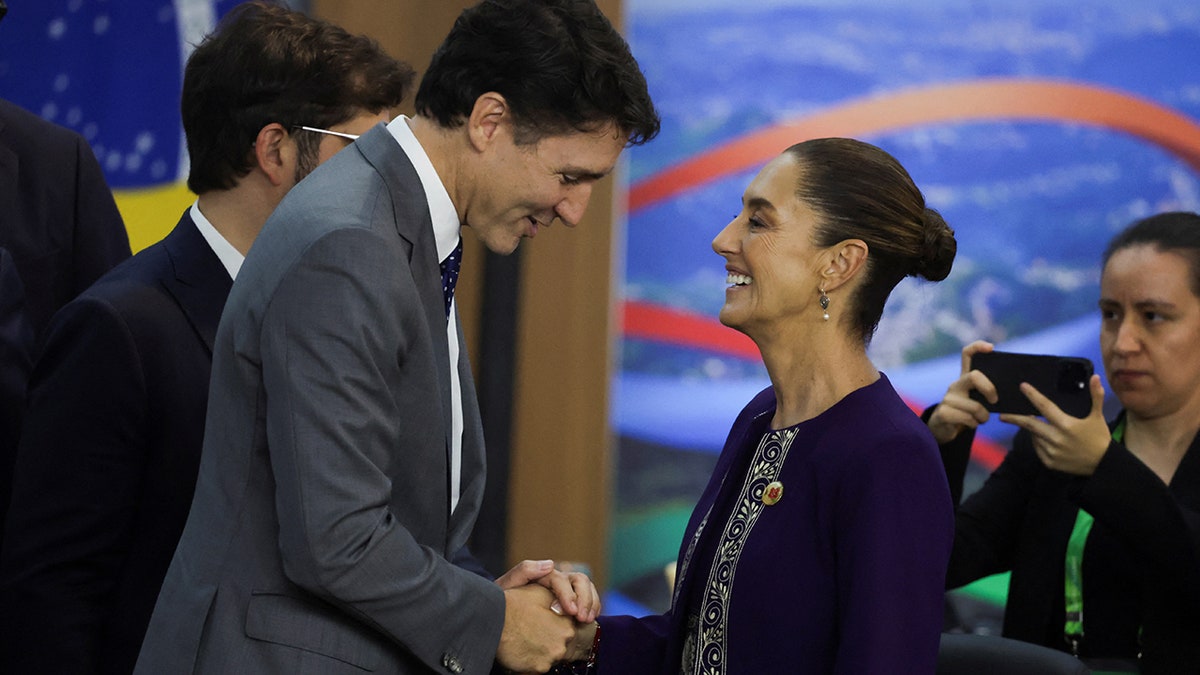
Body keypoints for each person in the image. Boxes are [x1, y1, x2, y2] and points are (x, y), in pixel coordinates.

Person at [133, 0, 660, 673]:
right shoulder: (351, 240)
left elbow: (405, 516)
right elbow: (337, 538)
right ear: (489, 122)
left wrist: (487, 596)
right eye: (569, 176)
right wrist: (492, 620)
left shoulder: (398, 225)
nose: (575, 211)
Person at [0, 3, 415, 673]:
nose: (388, 187)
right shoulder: (122, 329)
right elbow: (51, 599)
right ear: (275, 150)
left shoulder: (349, 325)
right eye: (365, 155)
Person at [566, 137, 958, 673]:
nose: (723, 239)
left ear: (839, 264)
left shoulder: (889, 456)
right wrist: (574, 639)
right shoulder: (759, 417)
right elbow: (703, 644)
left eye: (759, 221)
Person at [925, 211, 1200, 673]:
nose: (1123, 341)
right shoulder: (1050, 444)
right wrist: (940, 448)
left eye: (1153, 316)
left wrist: (1104, 470)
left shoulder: (1083, 451)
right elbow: (942, 562)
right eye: (1111, 314)